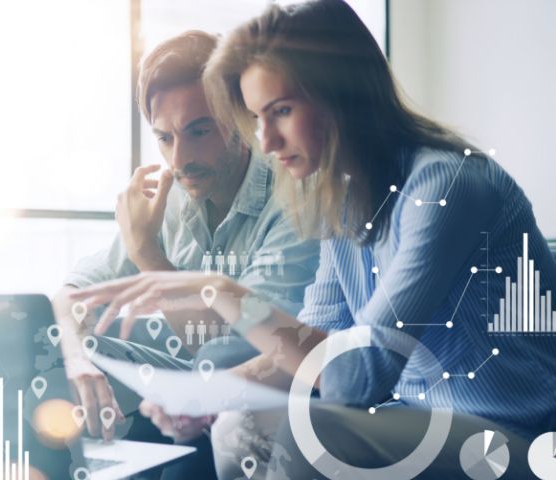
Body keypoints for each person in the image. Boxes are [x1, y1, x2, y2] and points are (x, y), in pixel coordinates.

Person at [69, 1, 556, 479]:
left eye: (280, 111)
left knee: (312, 431)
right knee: (237, 426)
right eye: (258, 118)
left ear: (341, 95)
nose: (266, 142)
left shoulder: (445, 187)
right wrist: (209, 397)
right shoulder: (342, 202)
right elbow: (306, 349)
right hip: (417, 416)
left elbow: (355, 379)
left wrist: (219, 289)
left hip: (511, 431)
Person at [50, 30, 320, 479]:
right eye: (165, 138)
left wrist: (146, 253)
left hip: (277, 382)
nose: (181, 159)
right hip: (195, 377)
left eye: (199, 131)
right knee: (63, 348)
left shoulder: (293, 195)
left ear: (239, 116)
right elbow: (71, 294)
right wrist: (77, 361)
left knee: (216, 362)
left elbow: (239, 349)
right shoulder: (173, 195)